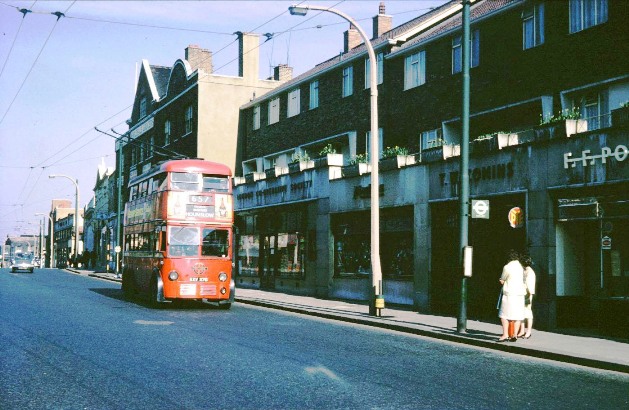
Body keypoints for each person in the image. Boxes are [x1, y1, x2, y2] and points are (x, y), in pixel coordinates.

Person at [497, 250, 526, 342]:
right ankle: (515, 335)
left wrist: (502, 281)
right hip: (520, 294)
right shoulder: (521, 267)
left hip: (509, 294)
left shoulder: (507, 267)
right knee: (517, 315)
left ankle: (505, 334)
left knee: (503, 315)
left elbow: (502, 279)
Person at [518, 254, 536, 339]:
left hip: (527, 293)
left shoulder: (530, 272)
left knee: (528, 312)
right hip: (524, 293)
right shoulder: (525, 271)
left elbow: (529, 285)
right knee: (521, 312)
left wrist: (529, 295)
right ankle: (522, 330)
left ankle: (528, 331)